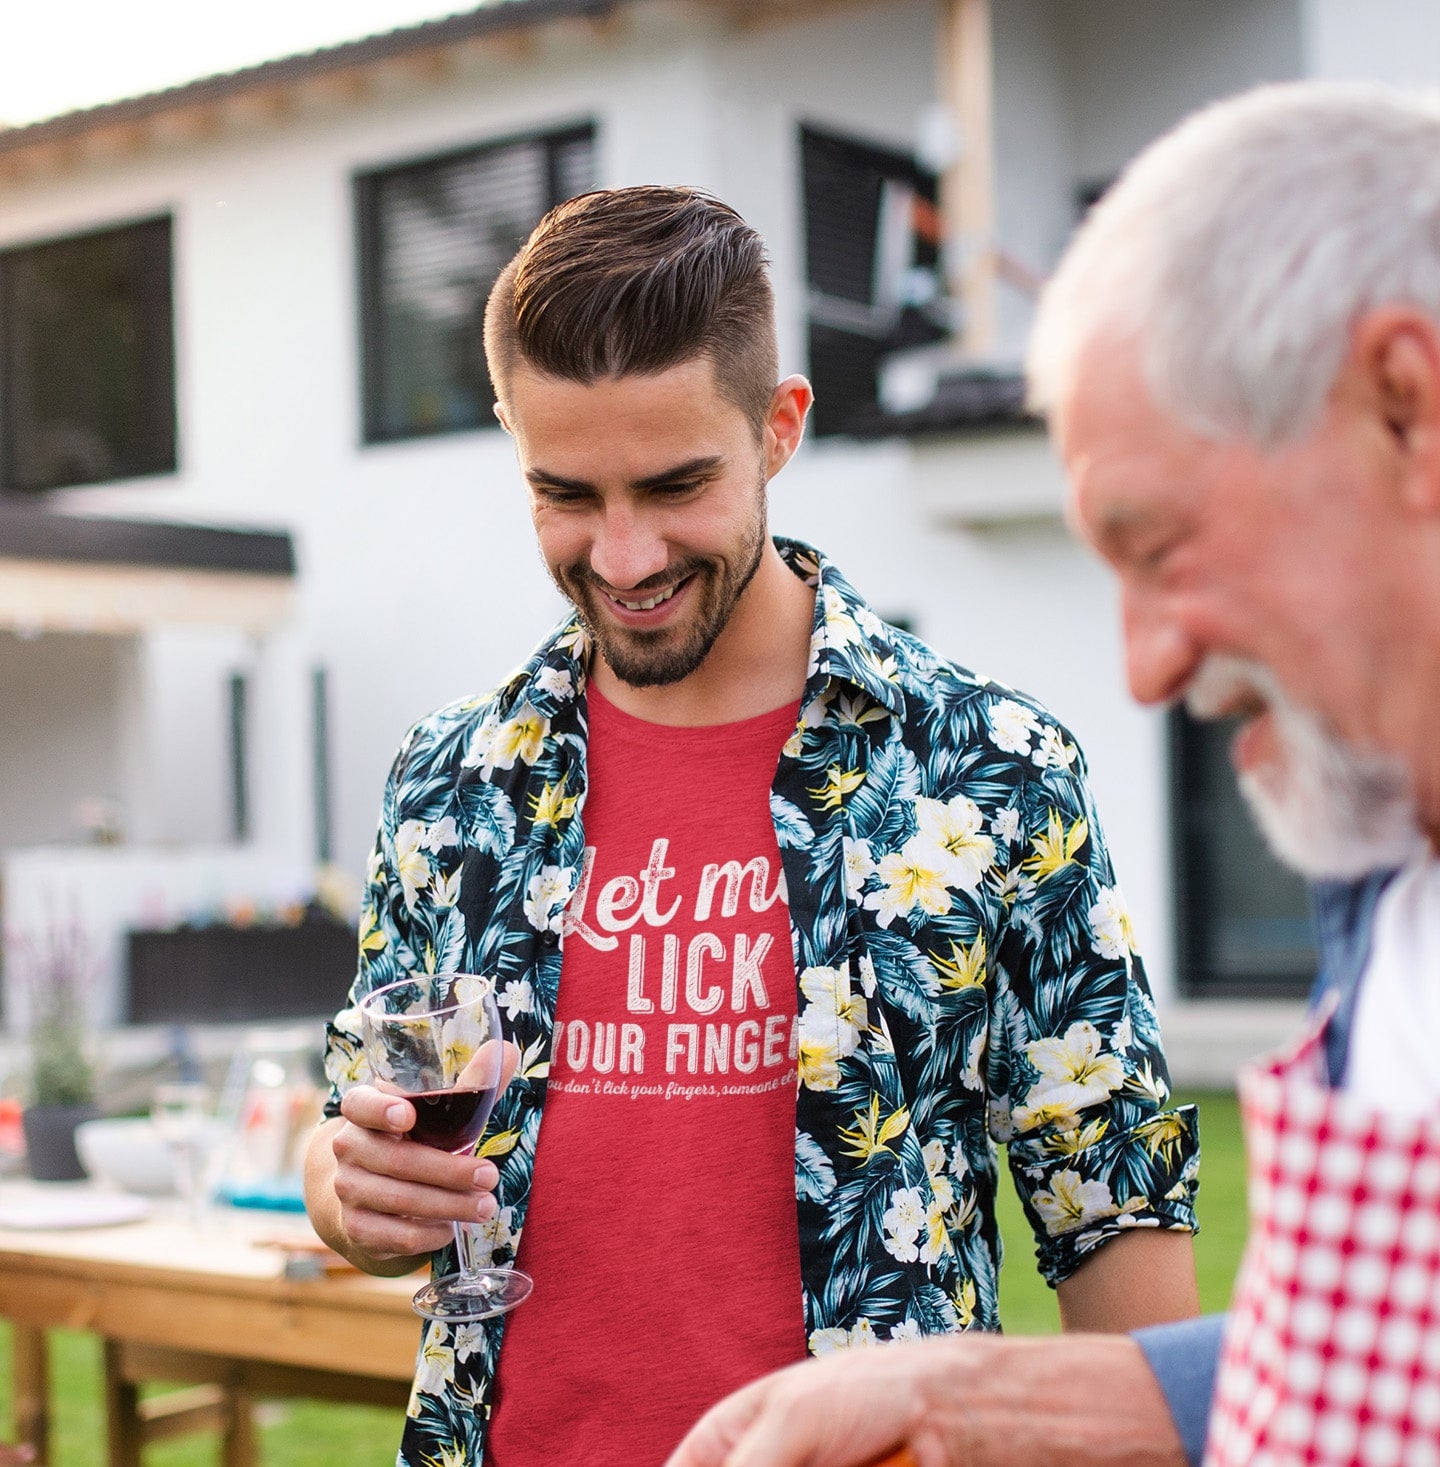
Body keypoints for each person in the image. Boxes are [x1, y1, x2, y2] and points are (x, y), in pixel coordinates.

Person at [304, 185, 1199, 1467]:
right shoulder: (454, 778)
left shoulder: (991, 767)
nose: (622, 556)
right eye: (565, 492)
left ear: (779, 430)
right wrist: (347, 1193)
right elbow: (359, 1119)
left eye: (676, 486)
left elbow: (1116, 1216)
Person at [666, 80, 1440, 1467]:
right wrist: (971, 1398)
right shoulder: (1389, 861)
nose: (1144, 667)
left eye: (1161, 544)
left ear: (1408, 404)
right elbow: (1393, 1353)